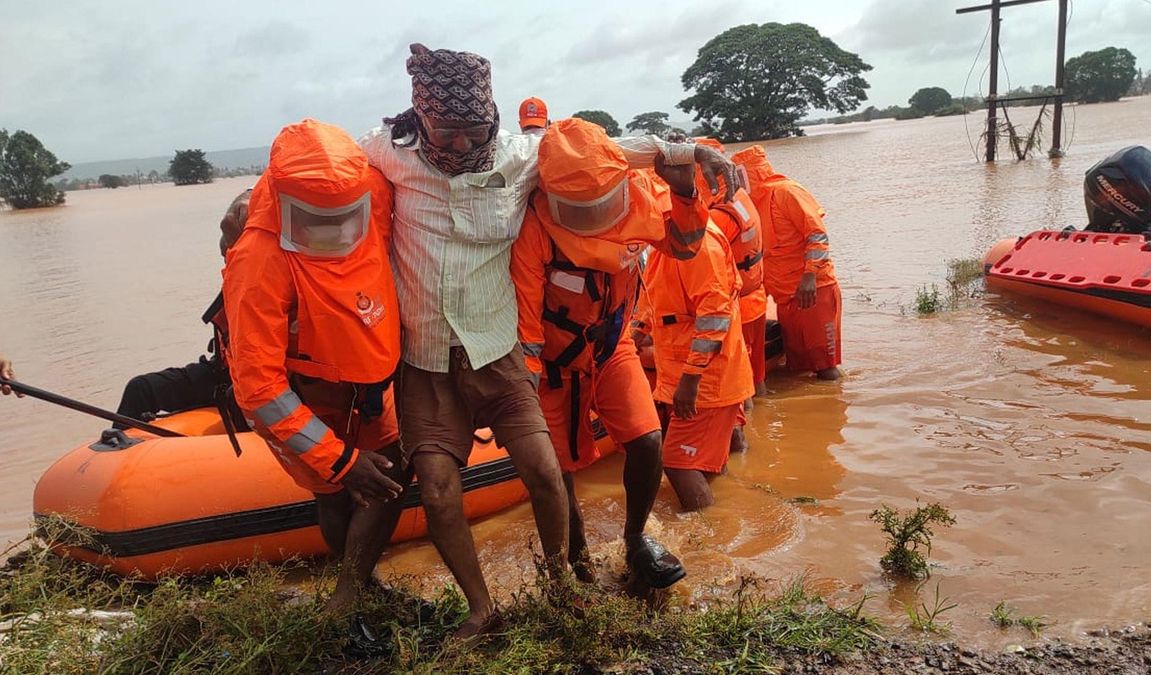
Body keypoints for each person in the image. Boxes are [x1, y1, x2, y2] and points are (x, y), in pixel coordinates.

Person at [359, 43, 737, 637]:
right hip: (459, 358)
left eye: (473, 131)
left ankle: (621, 547)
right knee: (528, 472)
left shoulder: (525, 160)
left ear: (493, 120)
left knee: (637, 442)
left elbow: (609, 153)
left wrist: (691, 154)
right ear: (422, 119)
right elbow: (331, 171)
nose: (460, 145)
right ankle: (558, 575)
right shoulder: (390, 155)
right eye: (446, 132)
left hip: (559, 349)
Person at [222, 119, 407, 631]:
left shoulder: (372, 191)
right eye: (316, 219)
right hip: (304, 395)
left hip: (368, 385)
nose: (335, 230)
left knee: (392, 472)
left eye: (345, 216)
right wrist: (341, 460)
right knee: (334, 491)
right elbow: (259, 388)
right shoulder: (258, 260)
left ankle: (358, 583)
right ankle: (349, 593)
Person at [511, 119, 708, 588]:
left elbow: (685, 246)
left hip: (612, 347)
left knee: (647, 441)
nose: (594, 216)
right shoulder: (534, 228)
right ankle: (577, 563)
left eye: (602, 204)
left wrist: (685, 194)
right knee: (557, 471)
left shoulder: (640, 194)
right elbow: (526, 326)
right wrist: (525, 388)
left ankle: (636, 539)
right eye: (580, 209)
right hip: (555, 368)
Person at [635, 190, 754, 511]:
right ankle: (725, 513)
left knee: (677, 462)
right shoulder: (668, 246)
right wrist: (637, 334)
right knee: (699, 461)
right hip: (685, 372)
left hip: (706, 379)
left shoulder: (700, 247)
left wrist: (691, 378)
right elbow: (656, 300)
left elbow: (715, 315)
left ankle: (707, 539)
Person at [114, 190, 251, 426]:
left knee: (241, 403)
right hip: (221, 371)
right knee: (141, 389)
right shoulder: (236, 273)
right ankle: (116, 453)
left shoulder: (284, 273)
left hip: (259, 378)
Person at [731, 145, 842, 380]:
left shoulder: (786, 192)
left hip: (812, 290)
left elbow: (817, 235)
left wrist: (810, 275)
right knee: (798, 366)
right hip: (783, 295)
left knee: (825, 367)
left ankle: (834, 407)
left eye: (739, 175)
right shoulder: (749, 204)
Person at [694, 137, 767, 409]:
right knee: (756, 380)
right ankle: (767, 426)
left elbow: (702, 265)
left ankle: (748, 441)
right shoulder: (741, 197)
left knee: (739, 387)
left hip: (737, 308)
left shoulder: (720, 214)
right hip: (755, 297)